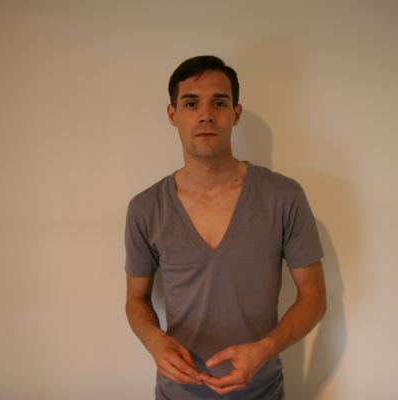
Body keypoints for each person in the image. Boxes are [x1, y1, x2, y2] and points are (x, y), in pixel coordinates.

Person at [124, 55, 327, 399]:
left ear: (236, 113)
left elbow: (314, 296)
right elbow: (135, 299)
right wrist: (154, 342)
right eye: (191, 103)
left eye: (219, 103)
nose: (206, 114)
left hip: (262, 392)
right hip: (177, 394)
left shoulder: (284, 197)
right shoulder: (145, 208)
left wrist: (264, 349)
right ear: (172, 115)